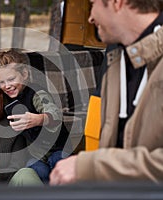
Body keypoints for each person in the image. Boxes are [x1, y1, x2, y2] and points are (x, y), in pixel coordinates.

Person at [50, 0, 163, 185]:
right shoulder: (115, 62)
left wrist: (89, 167)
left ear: (117, 3)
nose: (90, 17)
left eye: (93, 4)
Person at [0, 49, 69, 183]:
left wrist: (39, 119)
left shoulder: (37, 94)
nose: (7, 86)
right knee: (35, 171)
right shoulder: (5, 99)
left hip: (58, 148)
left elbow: (54, 114)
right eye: (2, 82)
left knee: (60, 163)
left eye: (11, 79)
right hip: (36, 155)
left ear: (24, 74)